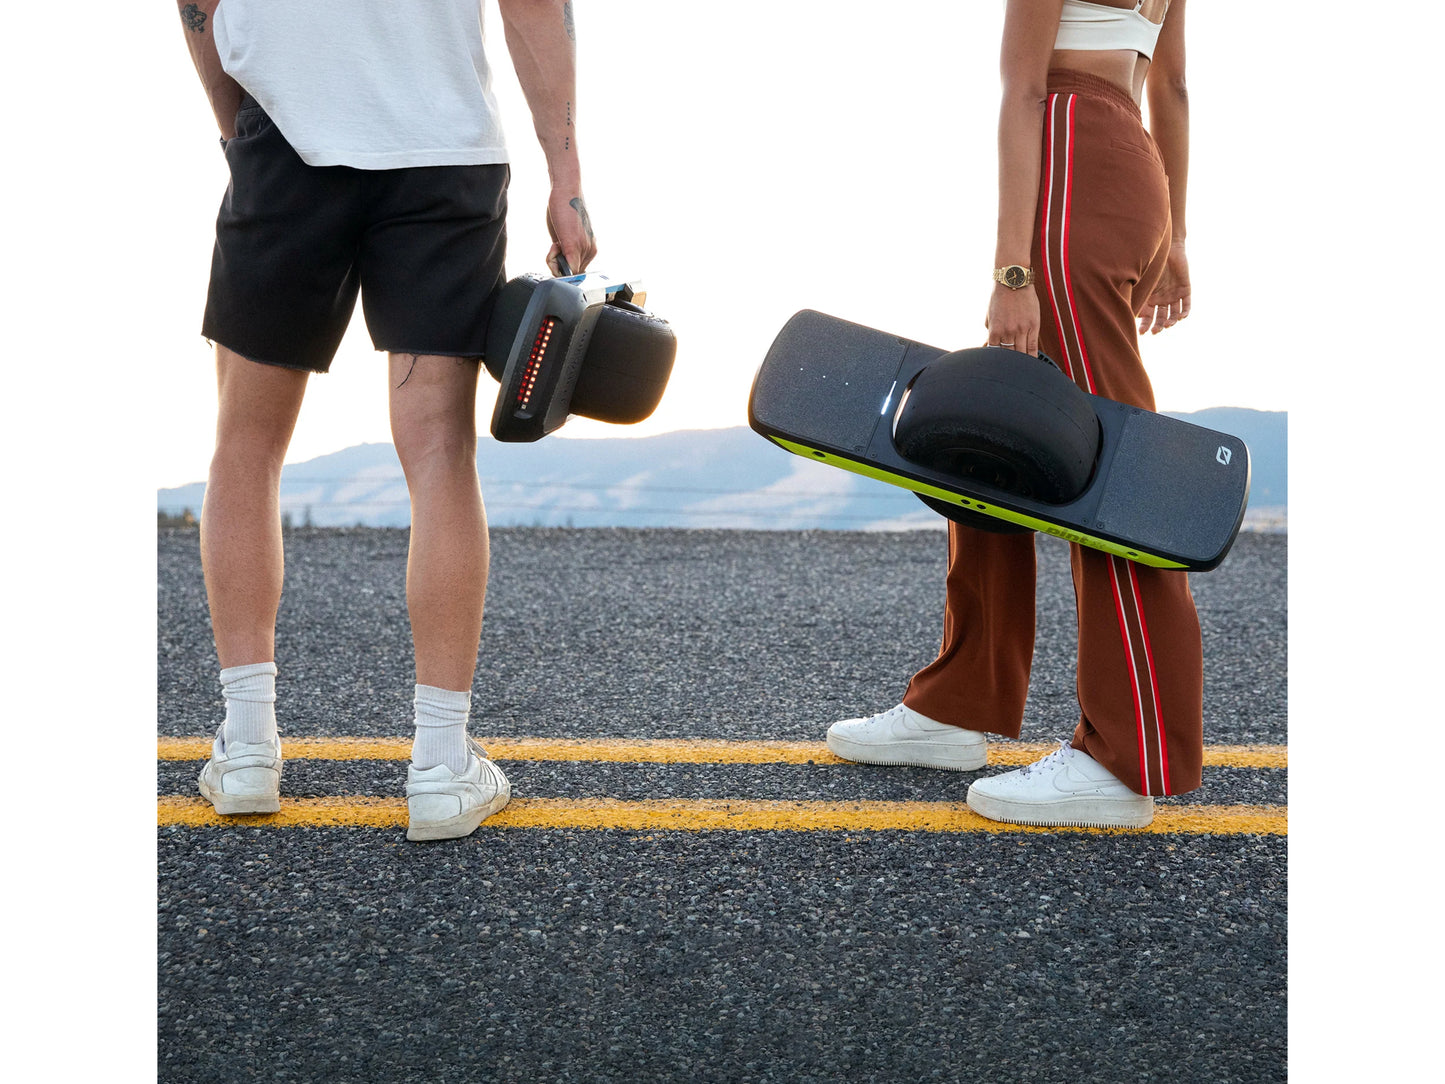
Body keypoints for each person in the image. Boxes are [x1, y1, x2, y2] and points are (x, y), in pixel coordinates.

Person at [177, 0, 597, 841]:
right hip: (444, 151)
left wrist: (239, 131)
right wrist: (568, 183)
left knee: (246, 446)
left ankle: (250, 747)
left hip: (287, 138)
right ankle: (441, 766)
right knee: (439, 452)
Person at [827, 0, 1197, 829]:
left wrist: (1012, 273)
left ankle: (1128, 757)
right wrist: (1172, 238)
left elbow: (1024, 89)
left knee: (1112, 474)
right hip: (1129, 169)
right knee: (989, 439)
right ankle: (959, 703)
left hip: (1071, 163)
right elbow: (1170, 89)